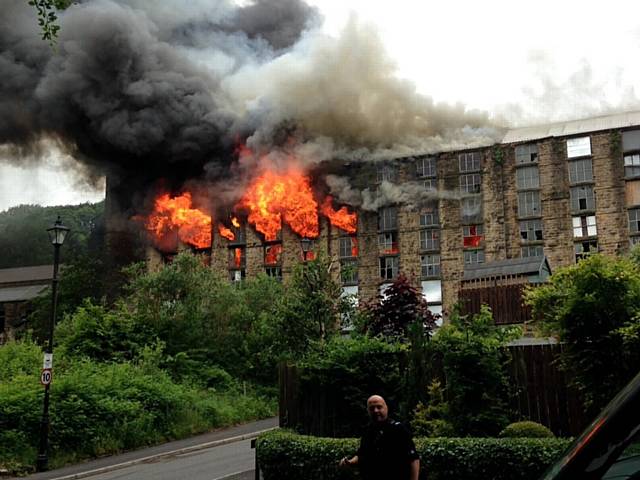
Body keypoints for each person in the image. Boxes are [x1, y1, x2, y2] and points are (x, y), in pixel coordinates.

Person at [339, 394, 421, 480]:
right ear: (368, 411)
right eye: (372, 408)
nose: (376, 411)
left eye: (379, 407)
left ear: (386, 408)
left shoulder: (398, 429)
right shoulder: (368, 431)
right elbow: (362, 454)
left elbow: (414, 459)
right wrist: (350, 462)